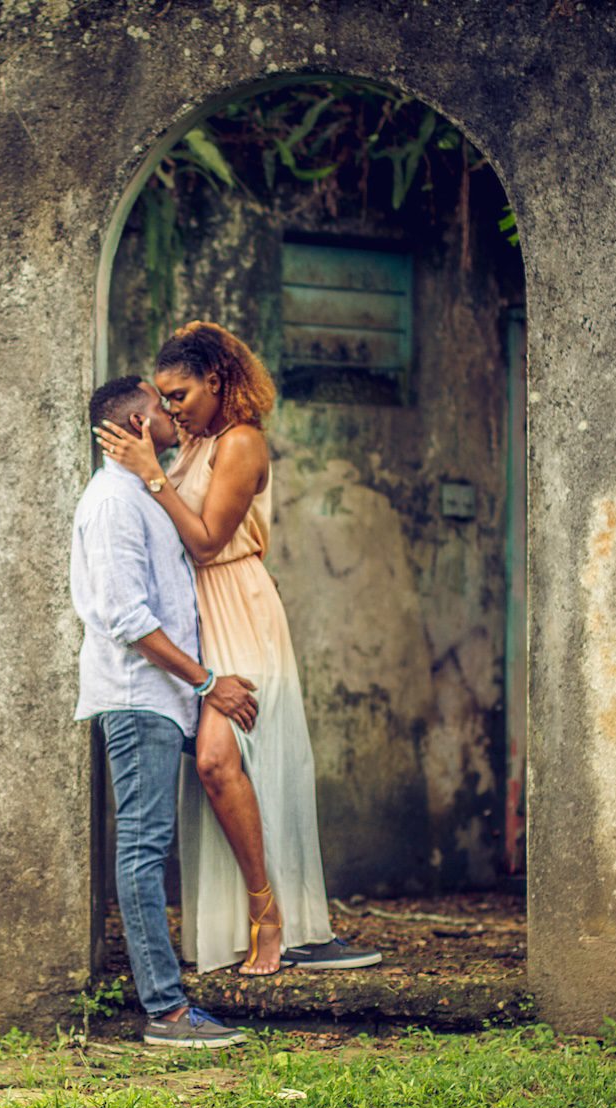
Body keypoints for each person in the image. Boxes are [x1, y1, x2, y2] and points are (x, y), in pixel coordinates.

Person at [95, 322, 382, 977]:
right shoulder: (194, 443)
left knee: (218, 761)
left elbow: (205, 542)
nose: (172, 410)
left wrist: (151, 475)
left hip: (240, 611)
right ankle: (256, 920)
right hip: (201, 618)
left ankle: (271, 918)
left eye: (180, 395)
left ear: (217, 381)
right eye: (164, 398)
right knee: (225, 772)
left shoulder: (242, 442)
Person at [72, 375, 260, 1047]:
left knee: (241, 777)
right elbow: (128, 619)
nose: (173, 416)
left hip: (167, 698)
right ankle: (167, 1012)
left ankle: (281, 927)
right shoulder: (112, 504)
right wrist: (208, 683)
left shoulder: (144, 492)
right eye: (161, 407)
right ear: (136, 423)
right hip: (139, 697)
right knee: (143, 847)